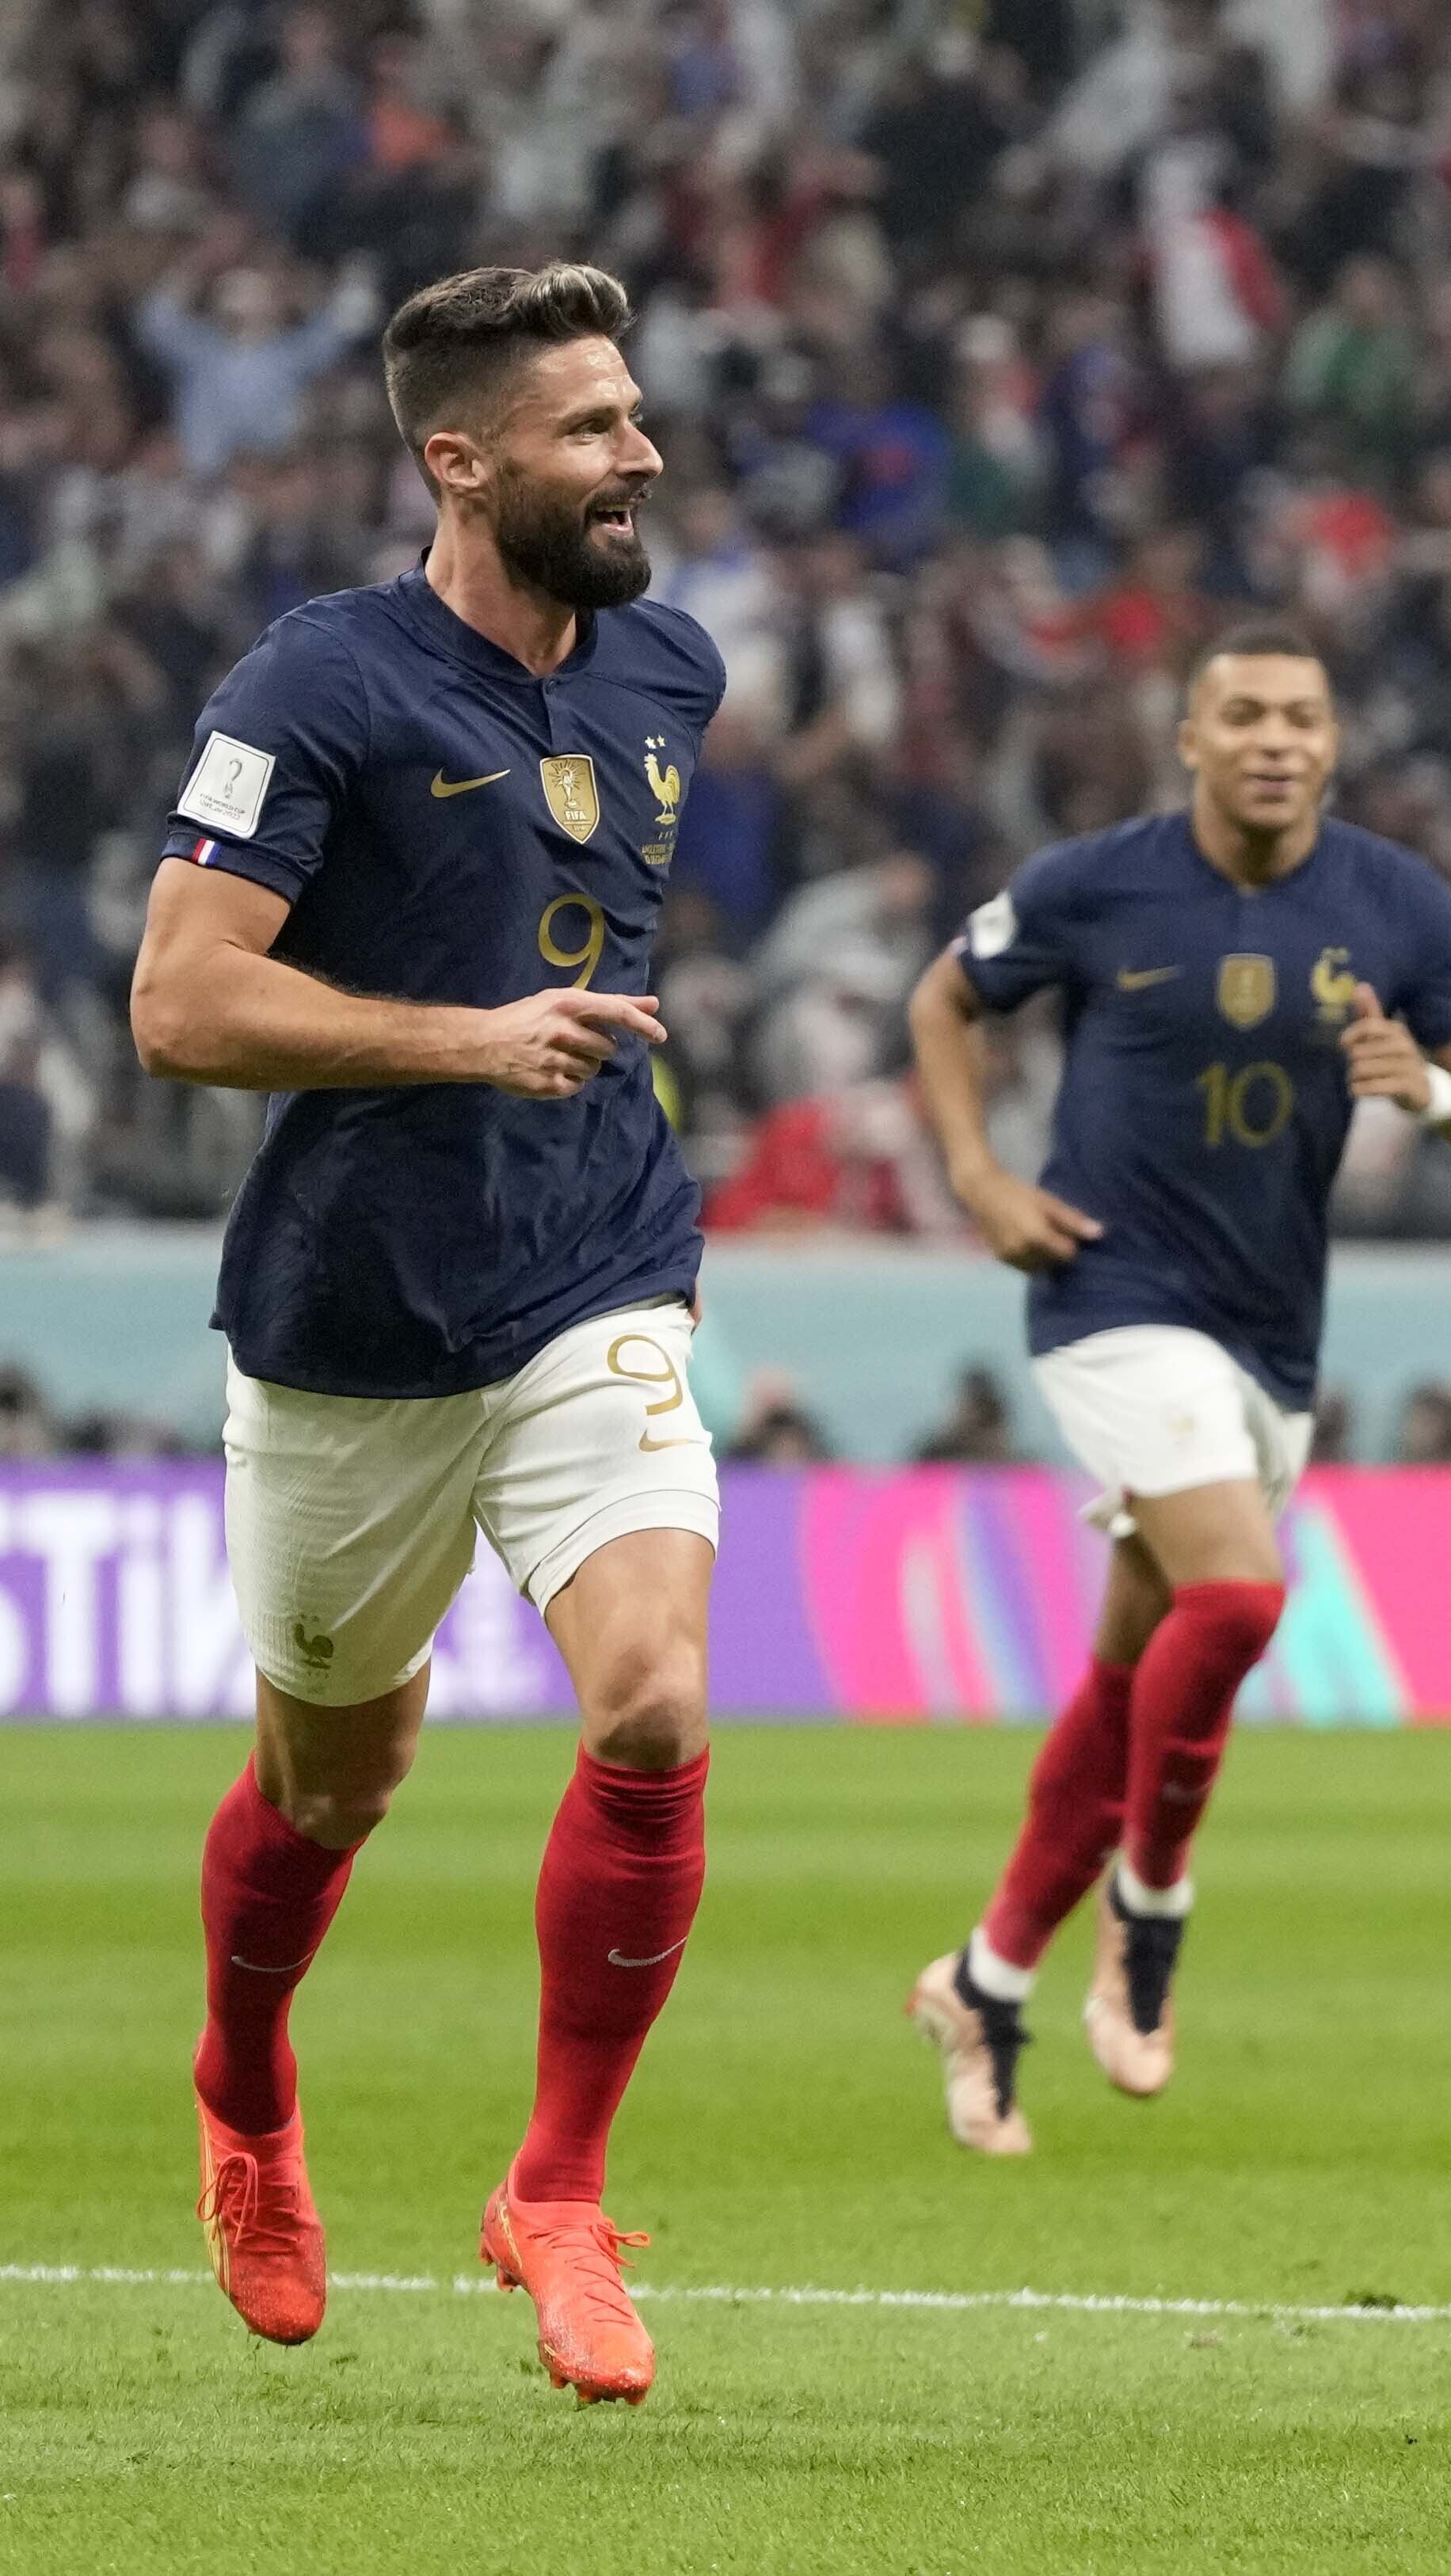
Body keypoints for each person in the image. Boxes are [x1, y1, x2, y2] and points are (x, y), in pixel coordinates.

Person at [136, 263, 725, 2405]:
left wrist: (543, 1067)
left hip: (597, 1264)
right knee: (335, 1774)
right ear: (456, 459)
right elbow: (181, 1001)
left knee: (652, 1700)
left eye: (636, 415)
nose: (638, 454)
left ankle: (555, 2189)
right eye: (588, 428)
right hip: (350, 1318)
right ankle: (246, 2087)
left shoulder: (670, 666)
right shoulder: (315, 687)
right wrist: (465, 1039)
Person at [900, 622, 1451, 2154]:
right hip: (1114, 1300)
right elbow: (943, 1003)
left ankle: (985, 1979)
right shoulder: (1091, 883)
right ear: (1187, 736)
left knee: (1136, 1674)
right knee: (1241, 1603)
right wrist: (980, 1176)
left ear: (1332, 742)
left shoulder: (1397, 905)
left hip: (1271, 1340)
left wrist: (1432, 1089)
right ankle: (1150, 1913)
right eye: (1241, 713)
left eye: (1300, 718)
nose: (1273, 740)